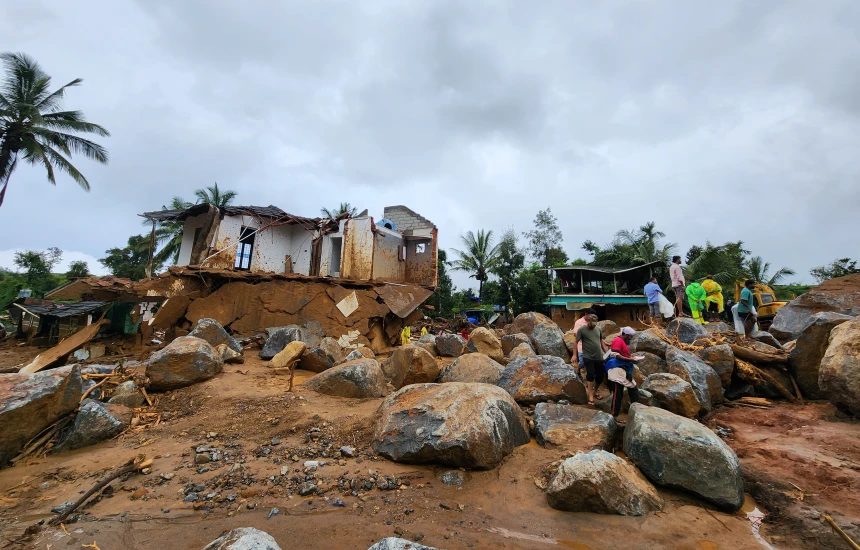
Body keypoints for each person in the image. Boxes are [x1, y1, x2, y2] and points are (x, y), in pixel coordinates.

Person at [604, 327, 641, 417]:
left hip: (621, 368)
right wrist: (630, 359)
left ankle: (635, 411)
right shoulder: (618, 341)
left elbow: (623, 354)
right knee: (618, 392)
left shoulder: (621, 341)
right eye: (631, 337)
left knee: (631, 388)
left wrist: (631, 358)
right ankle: (614, 415)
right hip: (616, 368)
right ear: (626, 335)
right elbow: (615, 355)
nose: (631, 339)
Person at [575, 314, 609, 405]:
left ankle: (595, 391)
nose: (593, 325)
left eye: (595, 324)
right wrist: (574, 355)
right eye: (592, 323)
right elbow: (576, 342)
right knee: (590, 375)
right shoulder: (582, 330)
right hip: (588, 356)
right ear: (588, 321)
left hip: (599, 356)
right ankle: (590, 395)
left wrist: (607, 352)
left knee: (600, 376)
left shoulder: (598, 329)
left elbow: (601, 341)